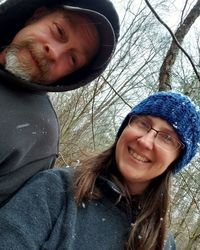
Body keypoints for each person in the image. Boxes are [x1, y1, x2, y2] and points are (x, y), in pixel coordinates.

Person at [0, 91, 199, 250]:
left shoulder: (163, 243)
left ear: (177, 160)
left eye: (167, 138)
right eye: (143, 124)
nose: (146, 141)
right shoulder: (55, 189)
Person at [0, 0, 119, 206]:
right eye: (59, 31)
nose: (54, 52)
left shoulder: (38, 137)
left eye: (72, 59)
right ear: (37, 15)